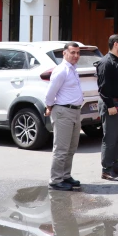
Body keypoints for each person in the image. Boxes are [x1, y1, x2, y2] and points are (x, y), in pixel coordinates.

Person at [44, 42, 85, 191]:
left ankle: (65, 176)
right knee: (61, 149)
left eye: (78, 53)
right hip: (63, 112)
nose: (76, 56)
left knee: (71, 147)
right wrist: (49, 106)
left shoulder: (73, 69)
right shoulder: (61, 70)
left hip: (75, 111)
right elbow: (50, 92)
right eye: (72, 52)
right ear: (64, 53)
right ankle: (55, 180)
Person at [96, 34, 118, 181]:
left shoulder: (117, 61)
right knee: (110, 138)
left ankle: (114, 165)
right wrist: (110, 105)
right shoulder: (106, 62)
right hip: (113, 105)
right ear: (116, 44)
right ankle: (106, 170)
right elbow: (103, 87)